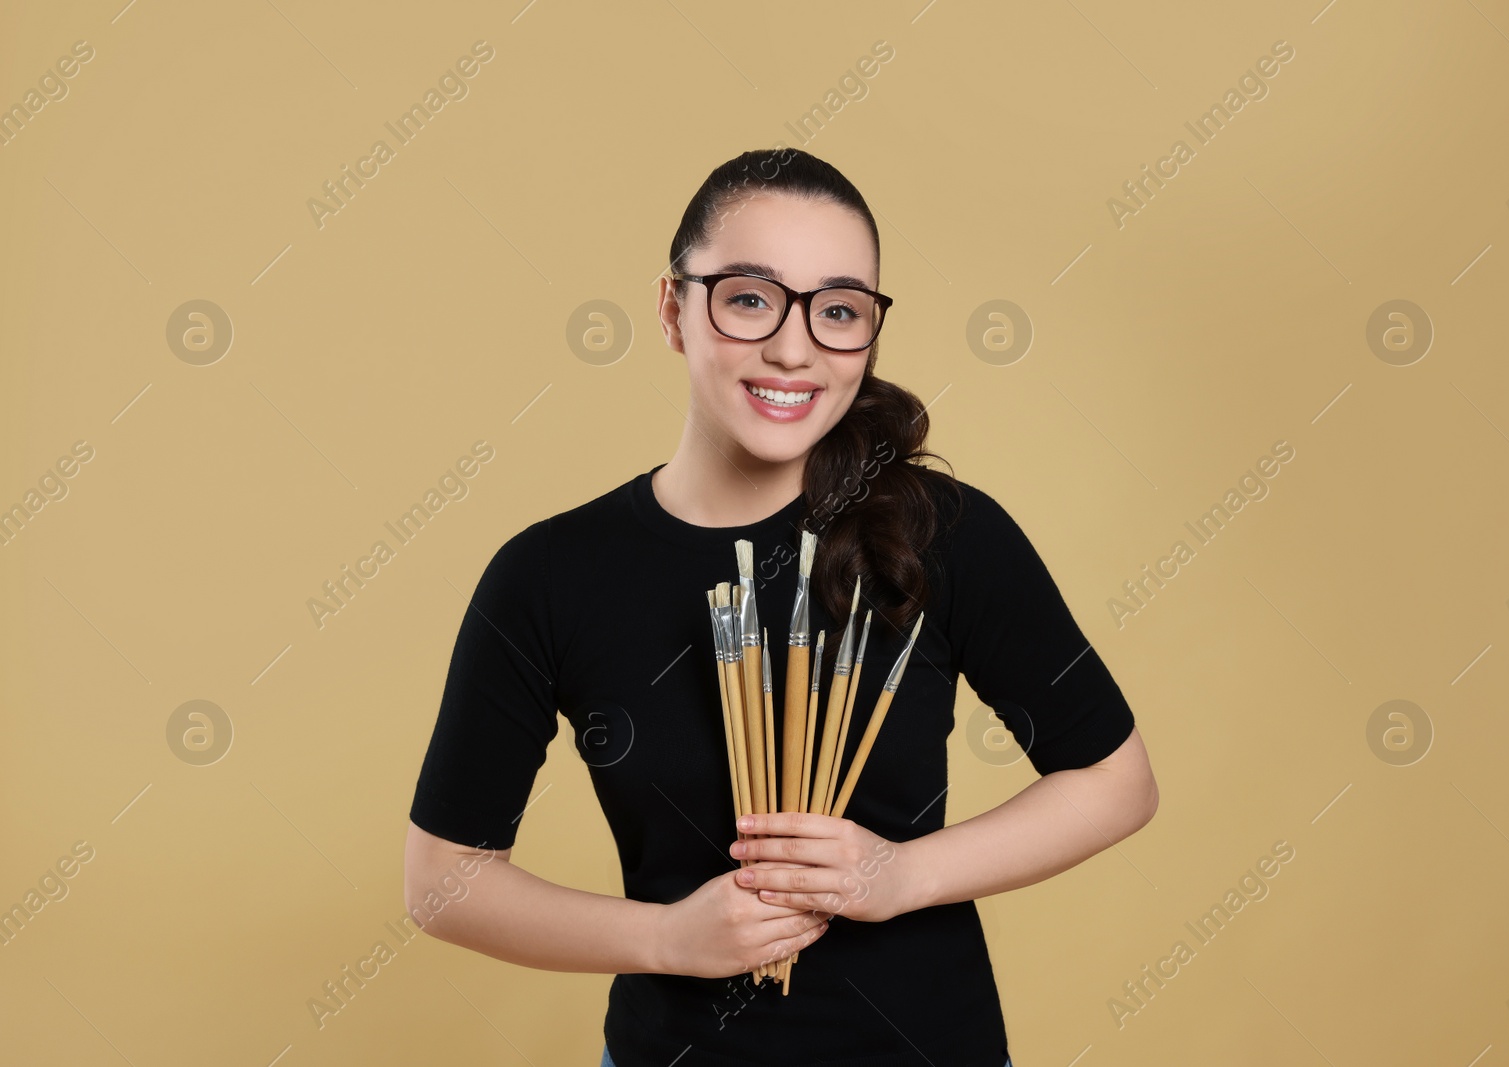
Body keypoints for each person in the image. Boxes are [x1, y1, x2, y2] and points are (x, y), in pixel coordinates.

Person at [404, 147, 1159, 1067]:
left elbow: (1117, 782)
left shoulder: (941, 531)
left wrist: (898, 872)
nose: (794, 347)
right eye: (751, 296)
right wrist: (667, 939)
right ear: (674, 310)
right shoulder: (549, 573)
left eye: (839, 310)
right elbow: (443, 880)